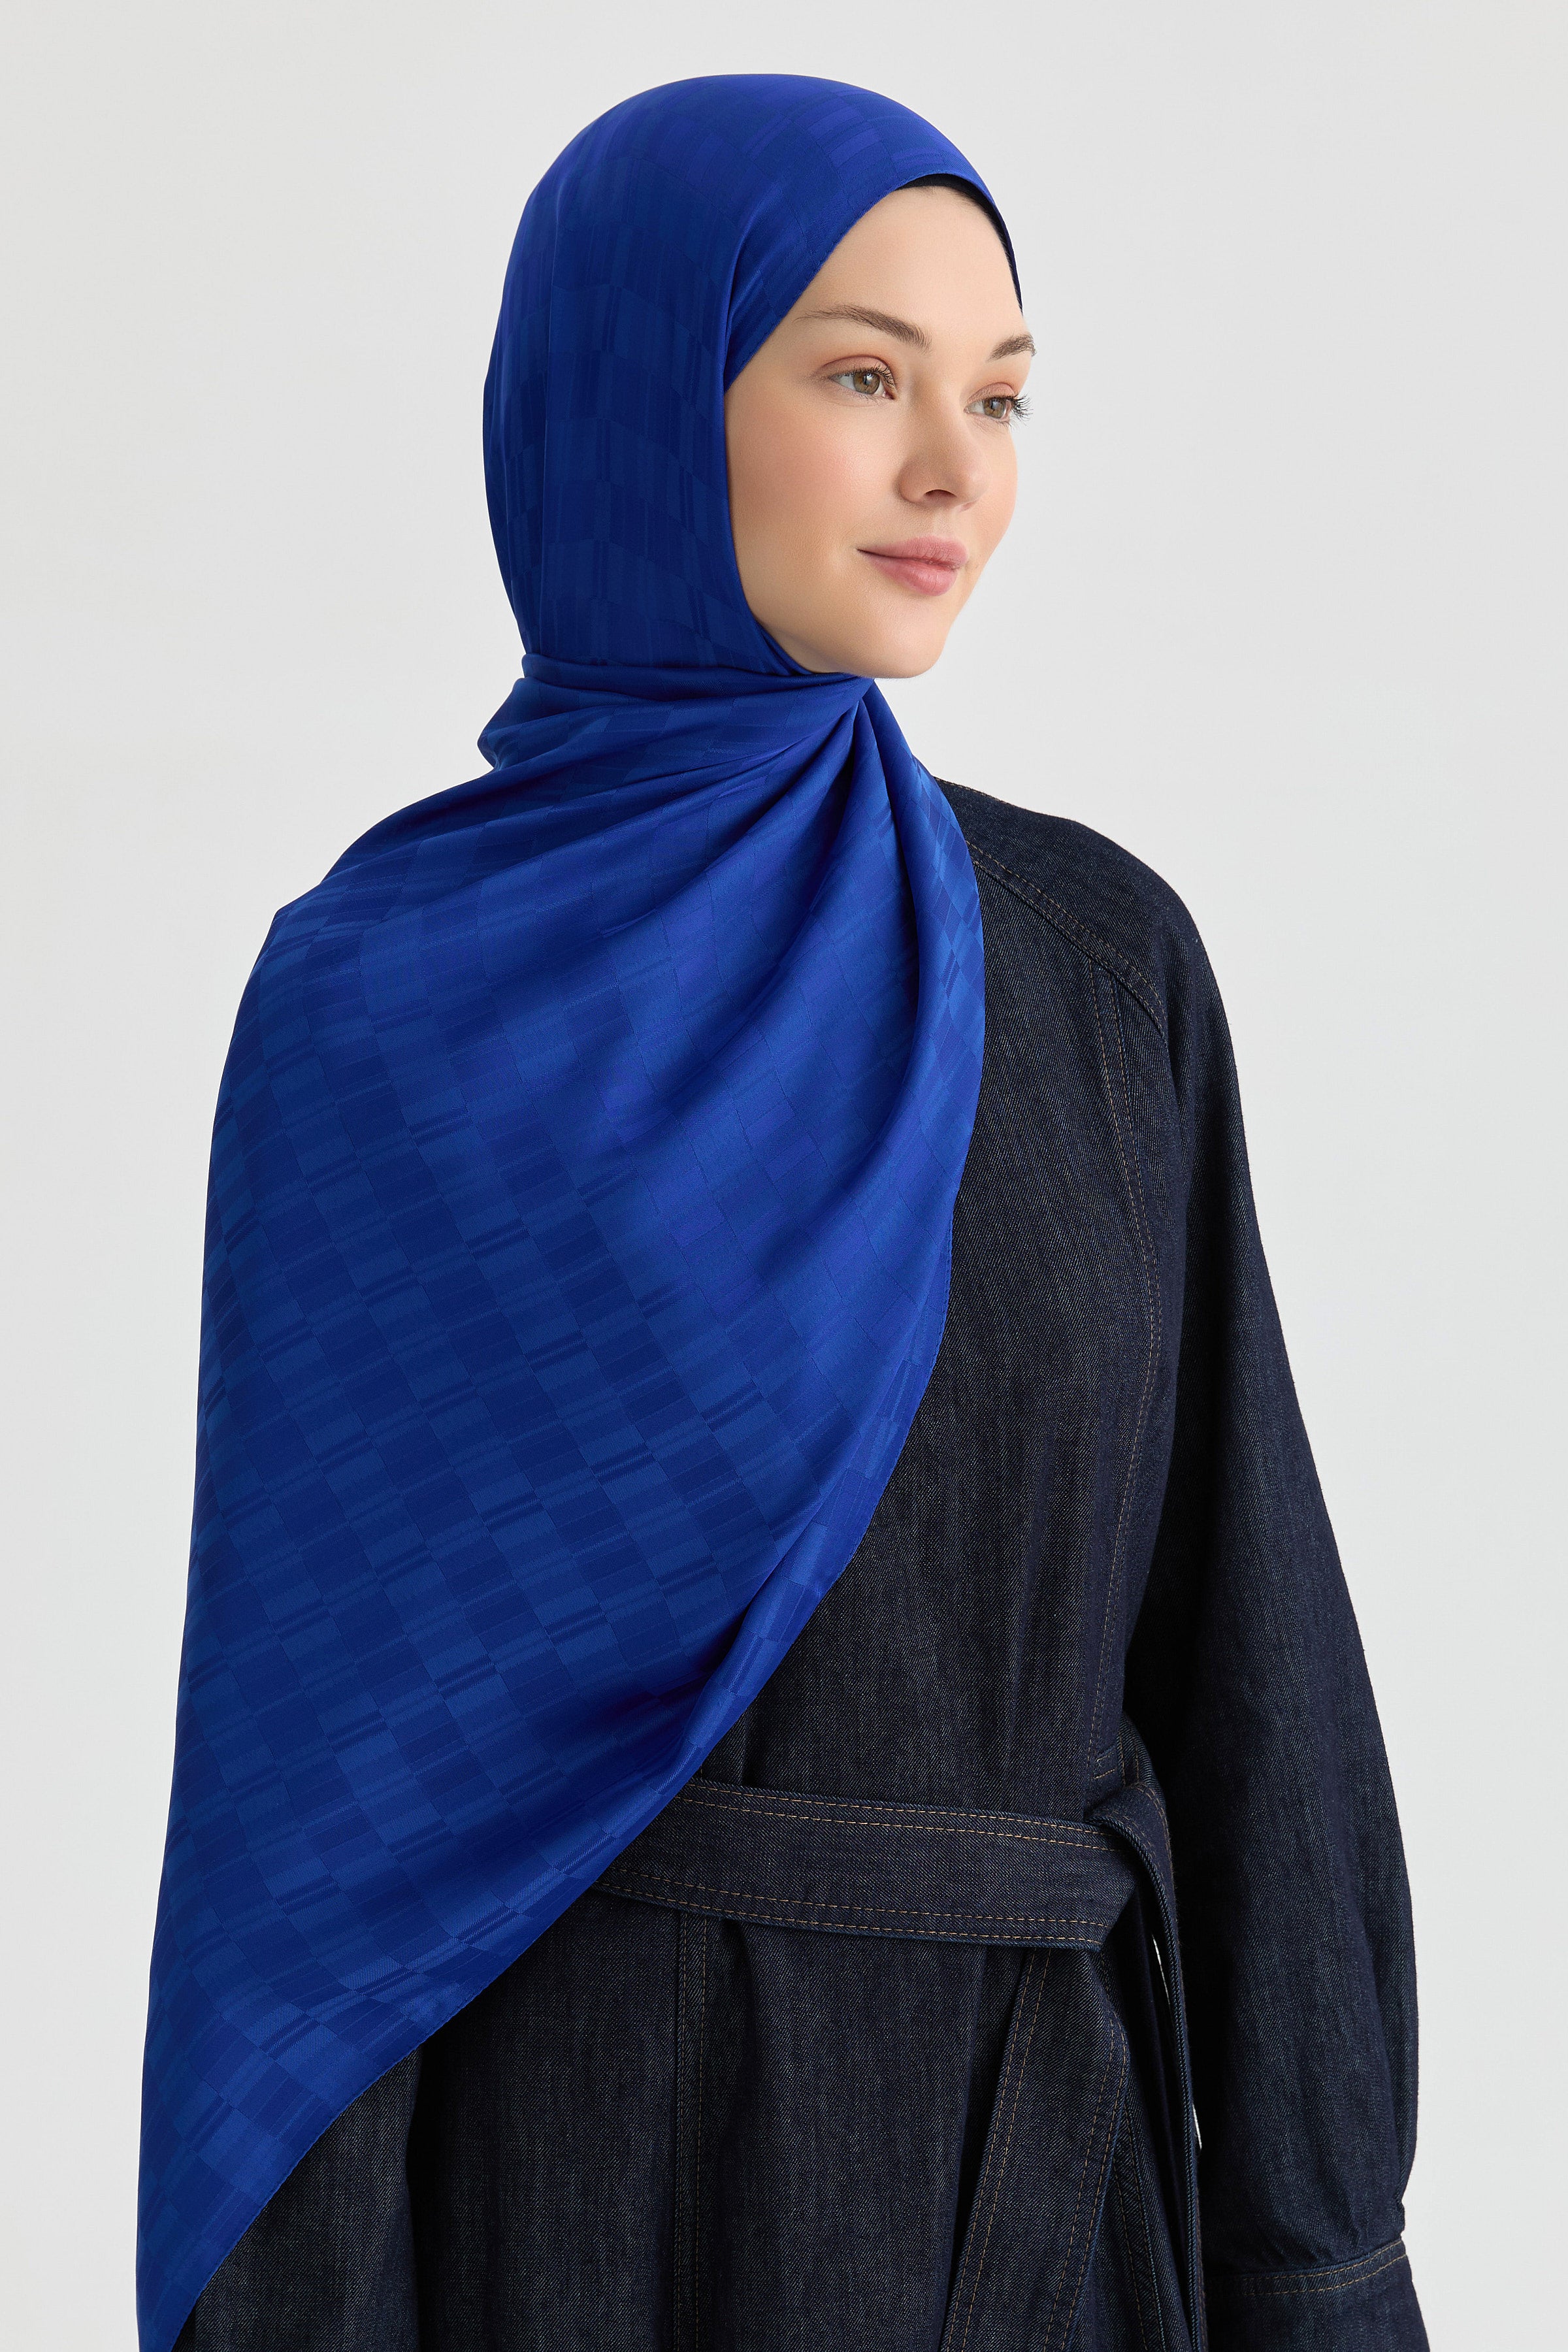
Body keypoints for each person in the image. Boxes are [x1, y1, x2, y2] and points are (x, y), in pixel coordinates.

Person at [140, 74, 1426, 2352]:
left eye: (1000, 398)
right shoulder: (384, 1008)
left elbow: (1253, 1670)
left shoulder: (1091, 964)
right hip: (568, 2212)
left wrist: (1321, 2277)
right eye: (863, 377)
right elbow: (311, 1853)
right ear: (645, 400)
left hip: (1031, 2194)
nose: (957, 473)